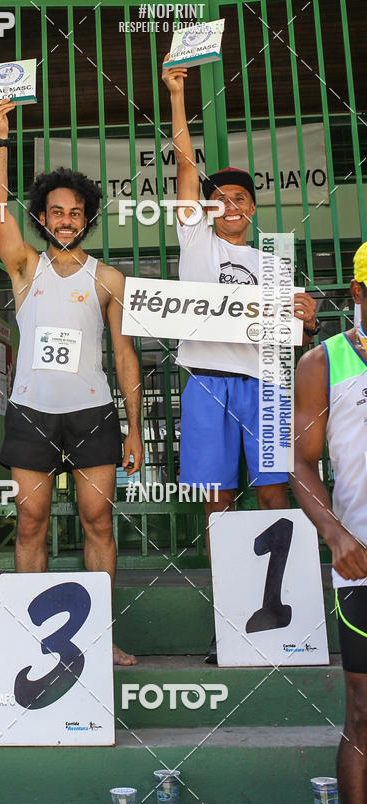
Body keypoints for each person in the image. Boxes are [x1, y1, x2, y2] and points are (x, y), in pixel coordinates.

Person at [162, 54, 318, 661]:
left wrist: (305, 313)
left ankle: (282, 618)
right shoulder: (194, 237)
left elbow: (292, 334)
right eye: (218, 197)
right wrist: (177, 96)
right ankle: (230, 622)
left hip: (263, 386)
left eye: (239, 198)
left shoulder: (273, 264)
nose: (229, 204)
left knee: (275, 495)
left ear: (251, 208)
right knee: (217, 505)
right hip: (206, 384)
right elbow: (183, 162)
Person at [0, 98, 143, 666]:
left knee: (98, 520)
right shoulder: (26, 266)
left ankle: (98, 637)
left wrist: (134, 428)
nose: (66, 220)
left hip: (93, 413)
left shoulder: (109, 277)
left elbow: (124, 353)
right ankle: (34, 641)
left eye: (75, 212)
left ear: (87, 217)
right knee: (31, 521)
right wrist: (1, 140)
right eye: (56, 212)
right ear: (43, 217)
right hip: (32, 413)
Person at [291, 242, 367, 803]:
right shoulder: (323, 362)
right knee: (364, 714)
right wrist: (334, 534)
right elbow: (298, 460)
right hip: (361, 560)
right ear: (359, 293)